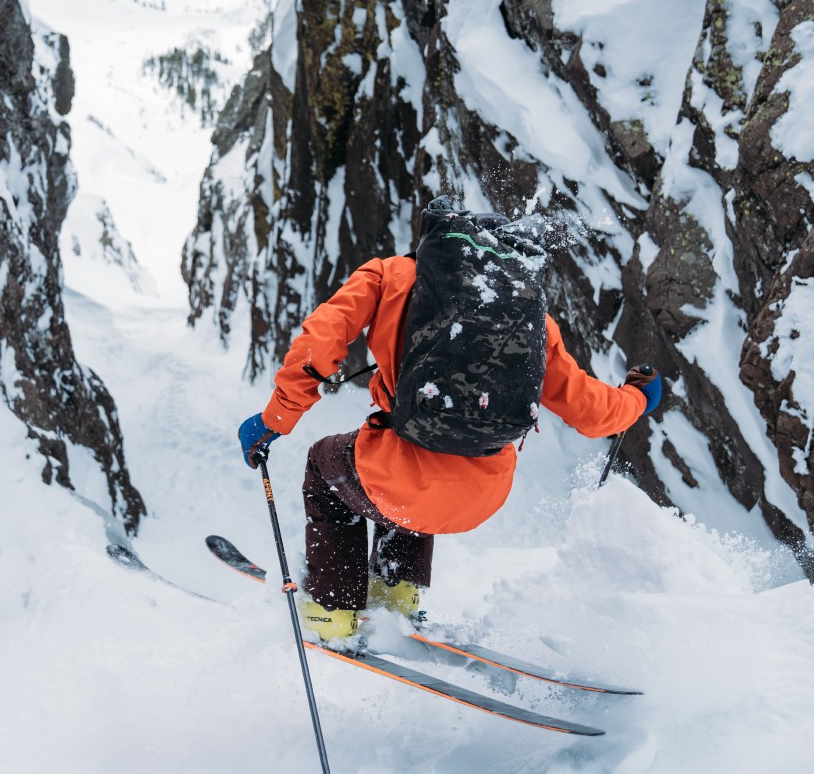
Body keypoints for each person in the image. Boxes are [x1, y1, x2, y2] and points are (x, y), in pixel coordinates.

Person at [238, 211, 662, 641]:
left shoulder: (389, 275)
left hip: (397, 484)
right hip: (481, 497)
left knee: (327, 464)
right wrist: (638, 398)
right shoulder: (525, 312)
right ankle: (396, 595)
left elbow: (319, 343)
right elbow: (590, 411)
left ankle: (332, 610)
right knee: (404, 459)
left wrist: (274, 420)